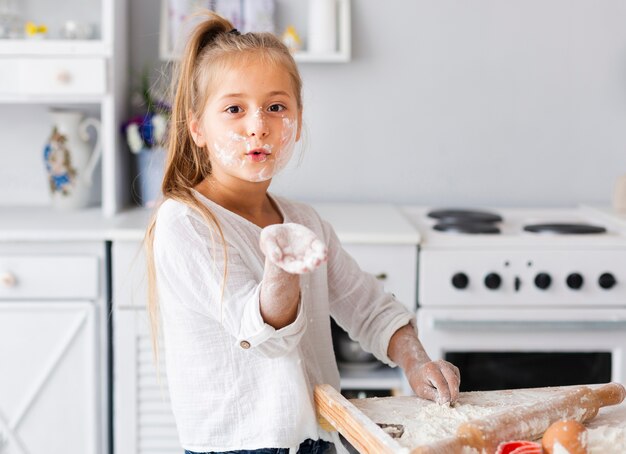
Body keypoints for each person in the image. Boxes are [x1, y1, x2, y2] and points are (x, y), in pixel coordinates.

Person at [144, 10, 461, 454]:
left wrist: (415, 360)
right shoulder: (187, 223)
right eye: (234, 109)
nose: (258, 125)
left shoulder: (304, 221)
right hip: (239, 446)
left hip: (316, 438)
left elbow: (369, 307)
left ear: (297, 118)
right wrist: (282, 268)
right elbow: (261, 335)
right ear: (197, 127)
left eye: (276, 107)